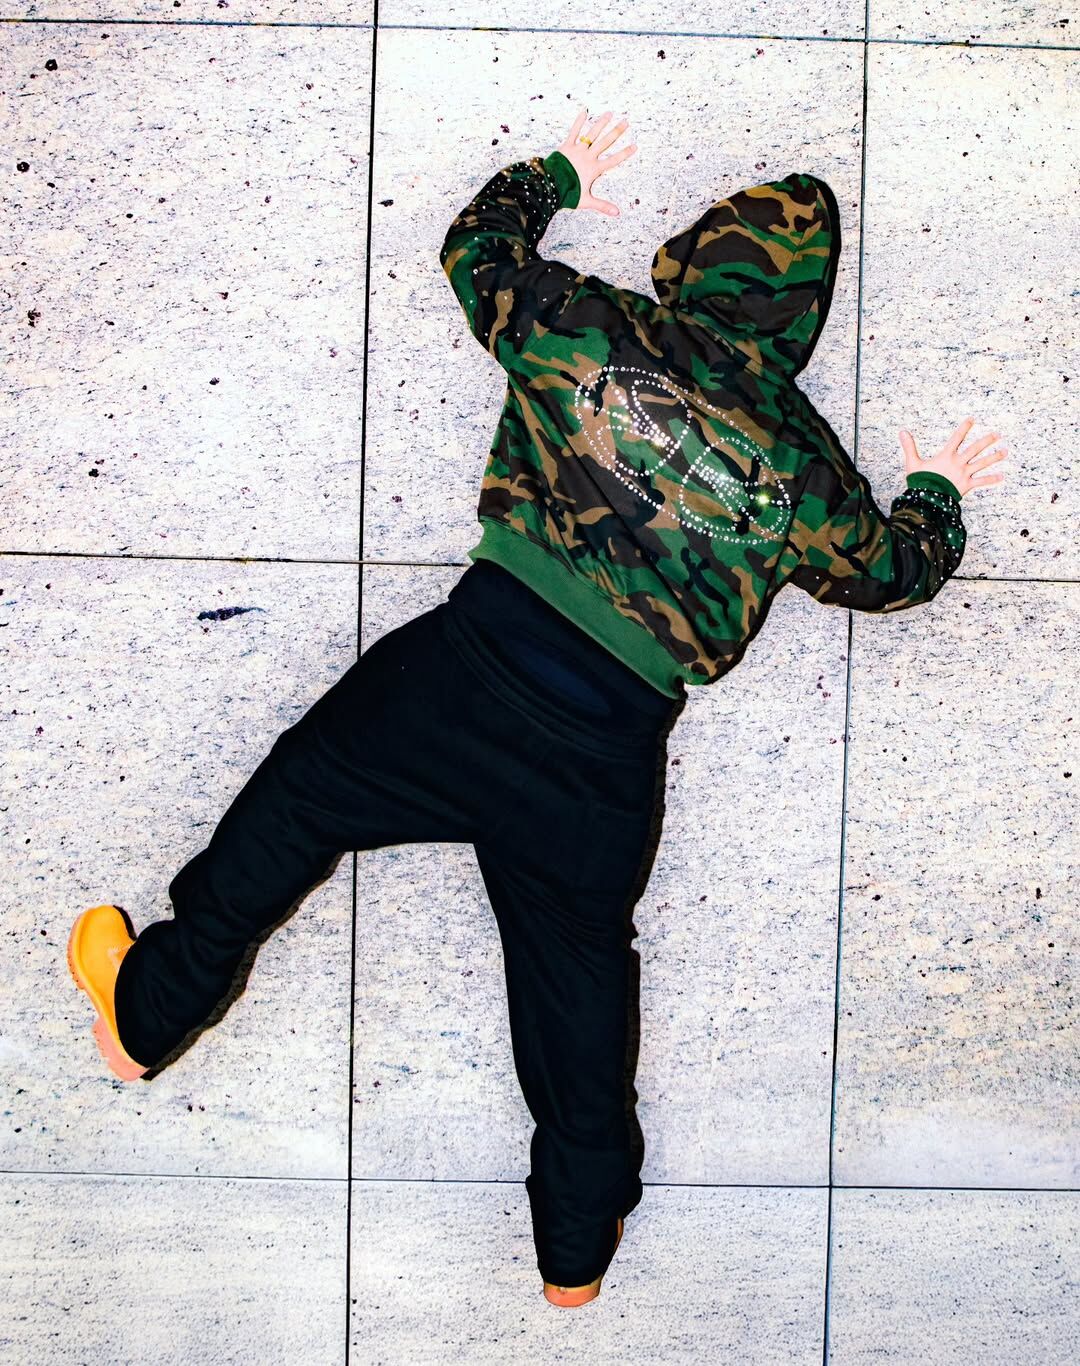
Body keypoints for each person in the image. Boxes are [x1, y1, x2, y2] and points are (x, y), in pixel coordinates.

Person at [67, 106, 1008, 1308]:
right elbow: (893, 574)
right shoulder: (802, 464)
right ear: (798, 320)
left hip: (465, 670)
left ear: (694, 254)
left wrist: (552, 174)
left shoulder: (592, 324)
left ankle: (146, 1012)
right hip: (609, 756)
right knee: (578, 996)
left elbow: (475, 250)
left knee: (296, 802)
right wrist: (934, 495)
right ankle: (575, 1245)